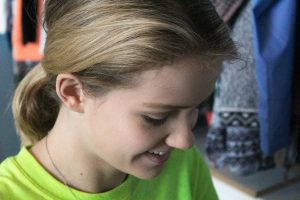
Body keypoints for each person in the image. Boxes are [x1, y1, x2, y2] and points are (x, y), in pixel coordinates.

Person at [0, 0, 237, 199]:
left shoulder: (182, 164)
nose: (185, 141)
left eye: (196, 109)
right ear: (73, 92)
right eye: (157, 117)